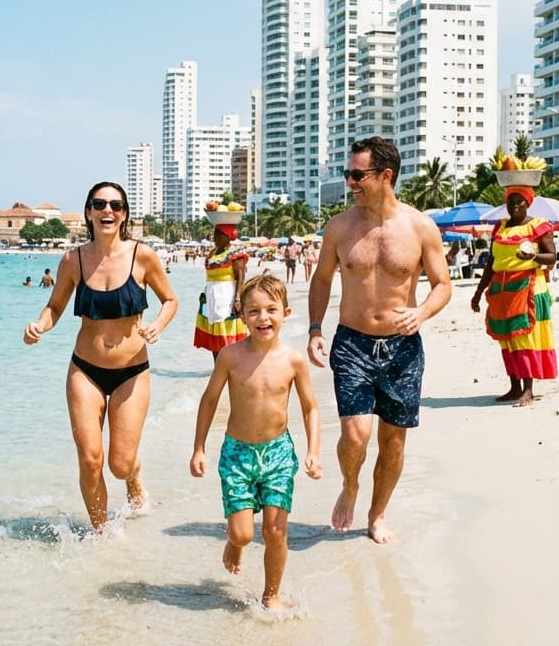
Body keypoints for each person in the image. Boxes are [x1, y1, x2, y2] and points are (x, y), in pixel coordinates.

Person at [307, 137, 451, 544]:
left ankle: (377, 513)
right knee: (356, 435)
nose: (349, 182)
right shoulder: (340, 227)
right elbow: (321, 279)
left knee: (393, 441)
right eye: (347, 173)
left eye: (357, 174)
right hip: (351, 343)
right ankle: (350, 485)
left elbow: (442, 285)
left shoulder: (420, 226)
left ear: (385, 176)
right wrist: (315, 329)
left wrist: (420, 312)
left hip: (402, 349)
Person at [23, 181, 178, 531]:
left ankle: (133, 476)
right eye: (99, 204)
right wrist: (39, 326)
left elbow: (171, 300)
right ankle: (100, 533)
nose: (107, 210)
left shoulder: (143, 256)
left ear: (124, 215)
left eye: (115, 205)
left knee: (119, 464)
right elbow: (55, 306)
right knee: (91, 460)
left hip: (131, 371)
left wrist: (158, 325)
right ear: (89, 212)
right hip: (85, 370)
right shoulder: (73, 260)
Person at [191, 274, 322, 610]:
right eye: (254, 311)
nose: (263, 318)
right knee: (244, 534)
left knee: (276, 531)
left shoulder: (293, 360)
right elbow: (209, 400)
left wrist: (313, 451)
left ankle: (271, 595)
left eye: (271, 310)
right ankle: (234, 543)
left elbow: (310, 407)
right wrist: (199, 448)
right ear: (241, 313)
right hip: (237, 454)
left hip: (278, 453)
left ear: (286, 313)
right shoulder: (230, 357)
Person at [470, 186, 558, 406]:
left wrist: (534, 255)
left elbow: (552, 257)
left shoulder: (538, 226)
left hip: (529, 287)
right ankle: (514, 387)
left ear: (528, 203)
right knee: (506, 339)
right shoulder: (499, 227)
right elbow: (491, 262)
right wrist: (479, 291)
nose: (515, 206)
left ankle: (528, 390)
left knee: (523, 337)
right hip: (502, 289)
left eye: (520, 201)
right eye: (511, 201)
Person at [193, 223, 248, 360]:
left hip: (226, 296)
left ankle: (231, 367)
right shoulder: (213, 253)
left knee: (226, 334)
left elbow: (240, 277)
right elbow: (210, 278)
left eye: (217, 235)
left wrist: (238, 299)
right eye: (214, 234)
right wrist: (204, 294)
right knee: (214, 333)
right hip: (212, 297)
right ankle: (218, 367)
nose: (214, 238)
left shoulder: (235, 254)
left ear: (227, 236)